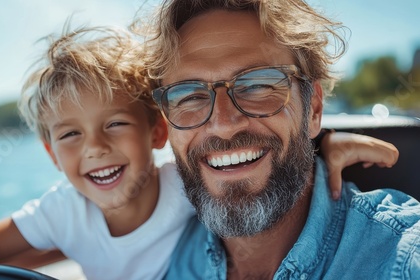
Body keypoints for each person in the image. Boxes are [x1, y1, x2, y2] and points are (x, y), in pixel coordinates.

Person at [0, 26, 399, 280]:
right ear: (50, 153)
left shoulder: (185, 186)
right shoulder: (62, 211)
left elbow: (255, 166)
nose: (95, 148)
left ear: (157, 132)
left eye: (114, 124)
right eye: (69, 136)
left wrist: (323, 143)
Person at [139, 0, 420, 279]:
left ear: (313, 110)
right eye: (189, 96)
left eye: (258, 85)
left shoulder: (403, 256)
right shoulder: (162, 247)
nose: (223, 125)